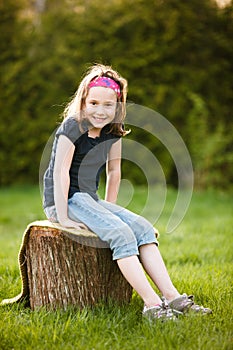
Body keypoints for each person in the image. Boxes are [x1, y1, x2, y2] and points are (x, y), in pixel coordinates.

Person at [43, 64, 211, 321]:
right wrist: (62, 217)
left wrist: (107, 208)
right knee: (121, 234)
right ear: (83, 101)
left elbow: (114, 172)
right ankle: (152, 306)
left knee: (142, 228)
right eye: (94, 103)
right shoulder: (71, 127)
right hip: (66, 198)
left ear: (118, 106)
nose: (100, 111)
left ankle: (173, 298)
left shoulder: (113, 131)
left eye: (108, 105)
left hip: (89, 199)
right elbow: (60, 173)